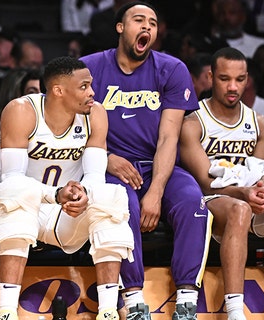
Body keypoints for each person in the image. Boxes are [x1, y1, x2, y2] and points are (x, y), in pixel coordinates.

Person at [80, 2, 212, 319]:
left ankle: (186, 302)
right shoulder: (89, 68)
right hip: (109, 165)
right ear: (120, 27)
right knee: (121, 207)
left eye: (153, 23)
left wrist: (156, 191)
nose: (147, 28)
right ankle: (135, 300)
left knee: (195, 203)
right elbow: (72, 127)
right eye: (139, 20)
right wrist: (106, 158)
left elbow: (169, 137)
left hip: (158, 165)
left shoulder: (172, 69)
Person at [0, 56, 134, 320]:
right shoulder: (22, 110)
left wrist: (84, 195)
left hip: (67, 213)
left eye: (91, 86)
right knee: (14, 193)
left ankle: (107, 311)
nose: (92, 93)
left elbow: (94, 174)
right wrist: (53, 194)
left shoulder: (96, 114)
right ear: (58, 90)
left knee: (111, 196)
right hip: (30, 210)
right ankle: (7, 311)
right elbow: (11, 177)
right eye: (84, 86)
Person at [179, 47, 264, 320]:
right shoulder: (192, 123)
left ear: (247, 79)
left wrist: (260, 189)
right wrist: (243, 192)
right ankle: (235, 312)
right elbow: (205, 182)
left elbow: (262, 172)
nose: (232, 86)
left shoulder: (262, 125)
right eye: (225, 78)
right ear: (210, 77)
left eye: (240, 80)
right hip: (209, 203)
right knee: (239, 209)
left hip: (246, 197)